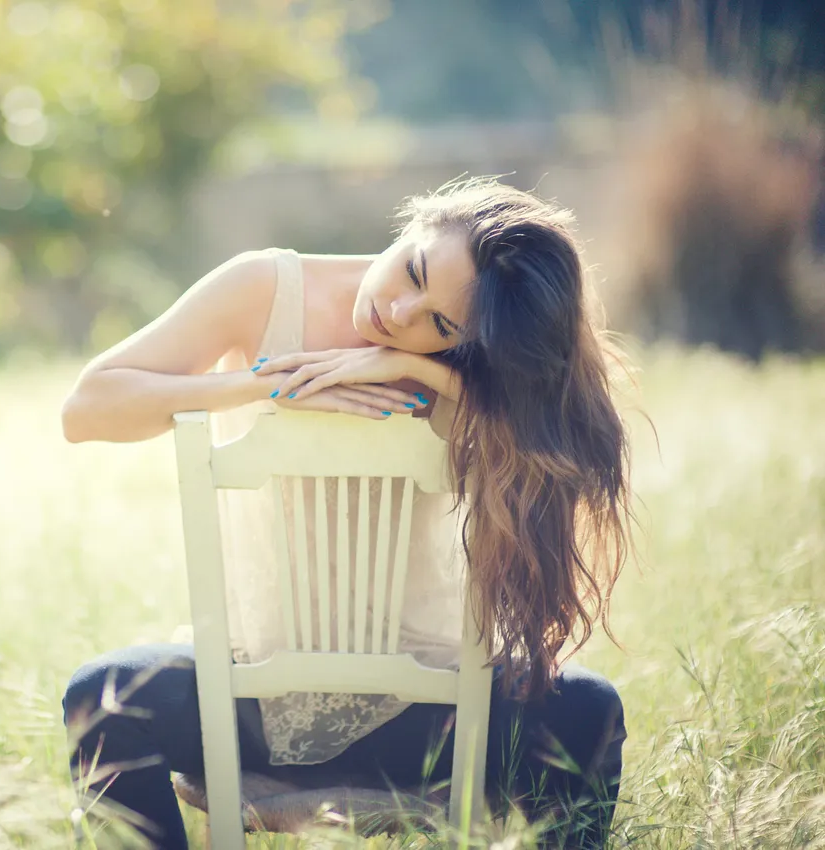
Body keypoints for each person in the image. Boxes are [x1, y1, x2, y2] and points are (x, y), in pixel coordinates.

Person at [59, 178, 633, 849]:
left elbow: (580, 447)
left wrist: (420, 371)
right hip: (248, 706)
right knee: (102, 700)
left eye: (439, 325)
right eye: (413, 271)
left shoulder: (482, 372)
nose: (400, 311)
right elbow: (86, 409)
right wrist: (268, 382)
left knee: (589, 711)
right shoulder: (262, 289)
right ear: (416, 220)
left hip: (427, 714)